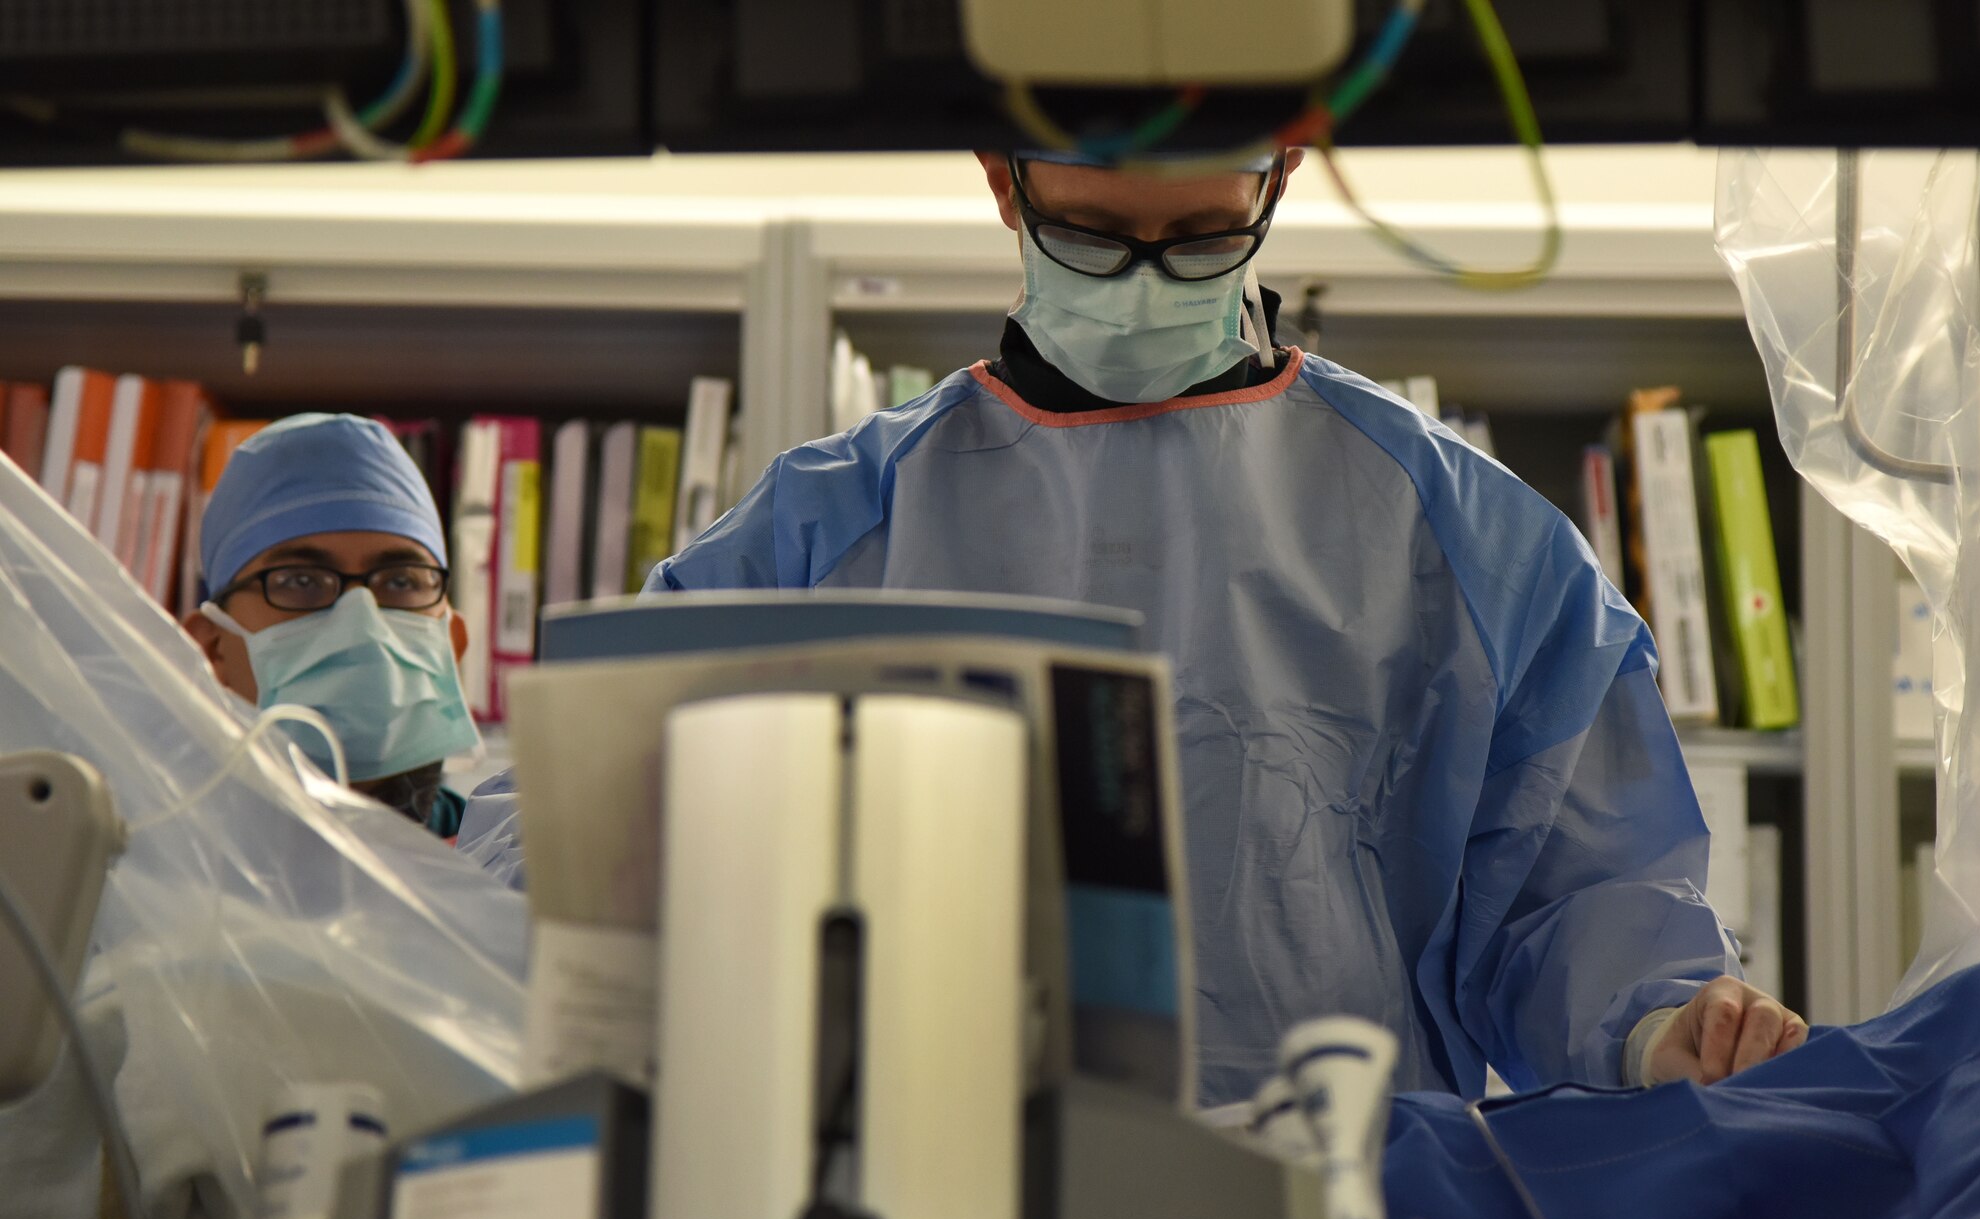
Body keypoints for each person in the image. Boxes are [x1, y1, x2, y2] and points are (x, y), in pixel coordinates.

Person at [646, 149, 1808, 1106]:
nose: (1145, 281)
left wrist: (1665, 1028)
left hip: (1334, 1190)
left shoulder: (1459, 534)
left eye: (1201, 235)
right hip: (931, 1190)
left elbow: (1570, 898)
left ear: (1282, 177)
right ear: (1003, 182)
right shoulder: (825, 529)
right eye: (1094, 235)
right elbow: (588, 830)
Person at [183, 412, 481, 838]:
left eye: (401, 582)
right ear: (211, 651)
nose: (363, 624)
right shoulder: (139, 871)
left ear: (452, 644)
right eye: (300, 582)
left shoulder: (511, 879)